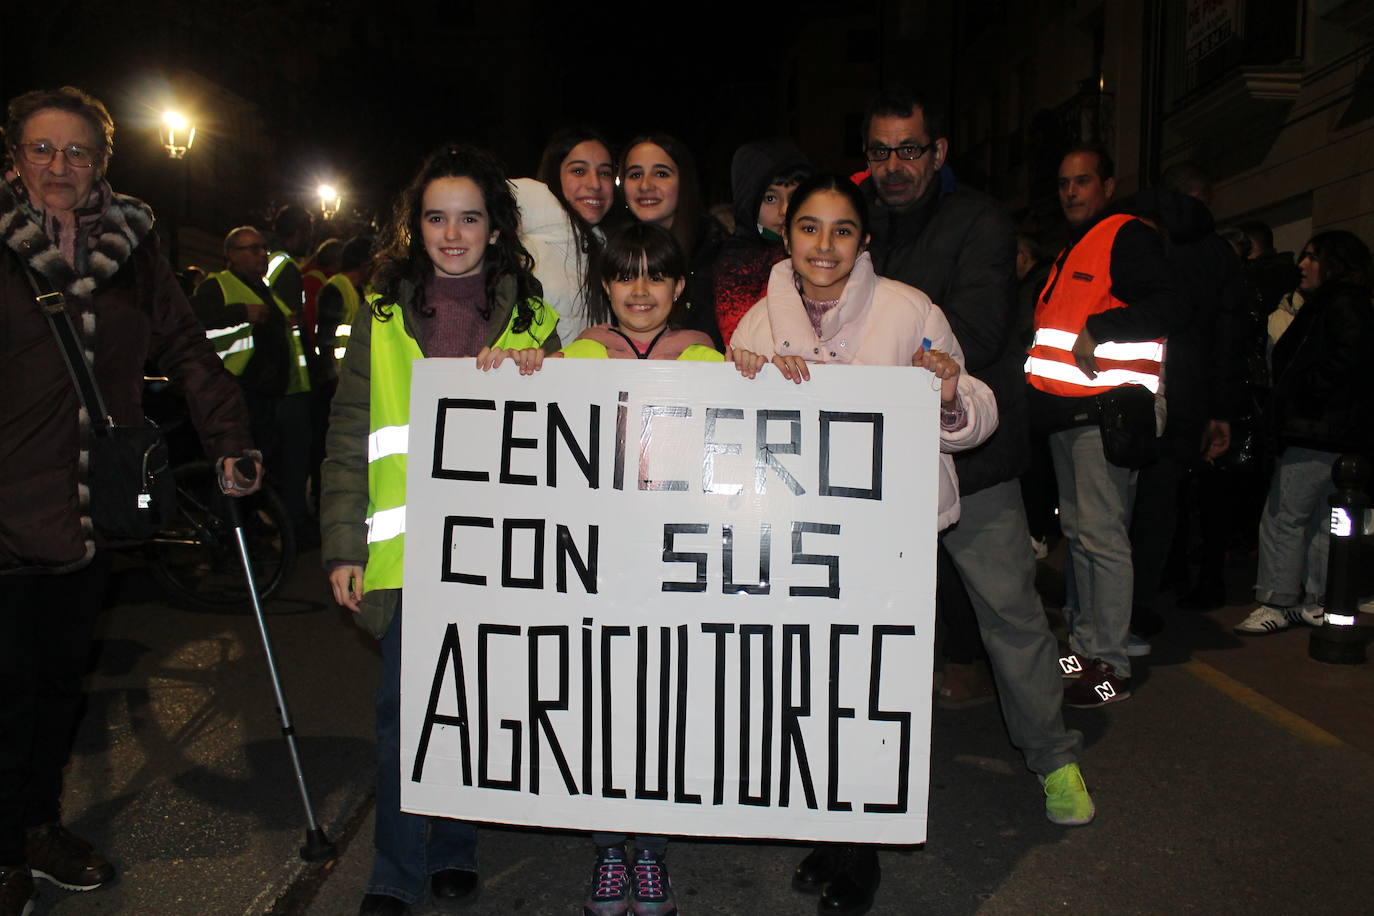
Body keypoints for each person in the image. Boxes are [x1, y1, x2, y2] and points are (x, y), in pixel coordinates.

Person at [0, 86, 258, 916]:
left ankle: (37, 827)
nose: (59, 167)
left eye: (77, 152)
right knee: (6, 687)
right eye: (42, 150)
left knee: (59, 686)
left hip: (96, 507)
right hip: (5, 500)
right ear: (14, 156)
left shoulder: (134, 247)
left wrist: (231, 441)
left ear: (101, 164)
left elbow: (188, 347)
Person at [728, 173, 1004, 916]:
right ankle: (828, 829)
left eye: (842, 229)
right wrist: (740, 376)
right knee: (808, 690)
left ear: (865, 239)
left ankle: (861, 851)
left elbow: (980, 413)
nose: (825, 245)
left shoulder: (909, 309)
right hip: (795, 541)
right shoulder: (757, 321)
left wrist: (948, 390)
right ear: (785, 238)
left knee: (873, 689)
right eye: (809, 228)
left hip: (888, 542)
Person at [321, 143, 560, 916]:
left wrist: (543, 374)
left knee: (474, 705)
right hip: (406, 556)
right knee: (402, 716)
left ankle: (455, 845)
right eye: (435, 217)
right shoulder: (381, 313)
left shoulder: (537, 321)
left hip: (498, 557)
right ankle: (394, 869)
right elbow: (349, 433)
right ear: (413, 225)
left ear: (495, 228)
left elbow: (573, 438)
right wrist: (342, 546)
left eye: (469, 218)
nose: (451, 234)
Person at [490, 222, 719, 916]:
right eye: (625, 275)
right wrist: (525, 372)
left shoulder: (708, 360)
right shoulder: (579, 356)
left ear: (679, 288)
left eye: (656, 276)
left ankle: (650, 852)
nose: (640, 290)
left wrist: (773, 374)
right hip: (596, 568)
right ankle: (609, 850)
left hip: (674, 568)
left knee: (659, 711)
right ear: (605, 286)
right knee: (604, 709)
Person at [1026, 144, 1186, 706]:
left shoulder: (1125, 235)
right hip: (1072, 414)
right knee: (1083, 535)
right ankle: (1088, 648)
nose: (1071, 191)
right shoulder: (1077, 244)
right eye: (1065, 183)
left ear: (1107, 186)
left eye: (1083, 182)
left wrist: (1101, 327)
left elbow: (1169, 304)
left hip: (1107, 412)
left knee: (1100, 537)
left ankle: (1109, 662)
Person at [1234, 230, 1374, 634]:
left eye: (1313, 257)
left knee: (1283, 516)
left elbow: (1344, 364)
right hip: (1330, 432)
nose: (1302, 265)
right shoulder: (1346, 303)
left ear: (1336, 263)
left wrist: (1302, 396)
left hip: (1315, 430)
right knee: (1316, 521)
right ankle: (1314, 600)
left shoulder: (1338, 304)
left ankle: (1276, 600)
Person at [193, 225, 314, 543]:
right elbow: (195, 325)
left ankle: (248, 527)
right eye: (252, 249)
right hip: (237, 393)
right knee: (238, 464)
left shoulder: (265, 288)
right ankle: (226, 534)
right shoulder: (217, 286)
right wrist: (239, 313)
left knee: (259, 465)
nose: (262, 254)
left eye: (262, 247)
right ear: (231, 256)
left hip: (268, 395)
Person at [619, 133, 723, 348]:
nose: (645, 185)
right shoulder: (614, 248)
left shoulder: (717, 252)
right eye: (635, 174)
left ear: (683, 181)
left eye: (661, 174)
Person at [706, 139, 811, 348]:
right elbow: (738, 339)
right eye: (770, 198)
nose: (785, 210)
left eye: (795, 196)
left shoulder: (820, 253)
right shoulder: (731, 261)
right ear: (749, 202)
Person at [524, 126, 619, 341]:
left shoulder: (611, 249)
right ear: (554, 175)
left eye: (604, 173)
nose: (595, 184)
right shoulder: (526, 251)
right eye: (578, 171)